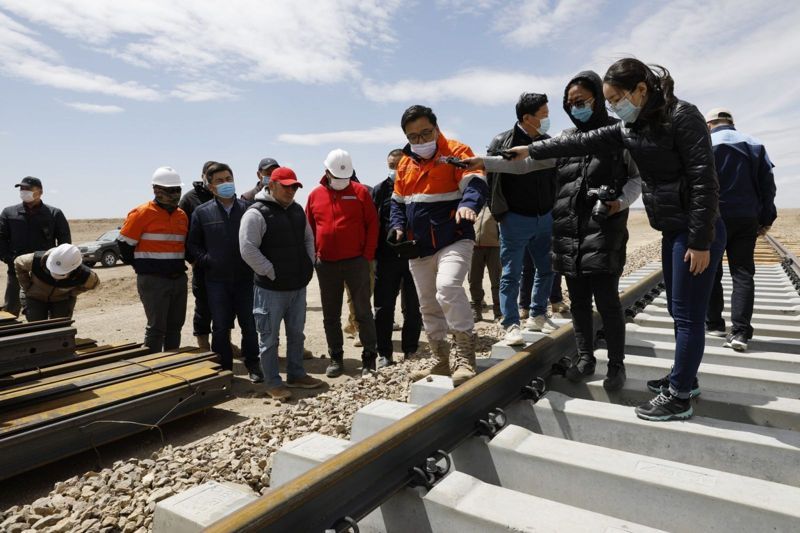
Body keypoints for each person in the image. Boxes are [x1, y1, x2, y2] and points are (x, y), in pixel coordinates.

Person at [474, 59, 724, 421]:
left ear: (642, 88)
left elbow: (705, 180)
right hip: (673, 227)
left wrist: (700, 241)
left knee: (687, 316)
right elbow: (584, 141)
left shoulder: (682, 116)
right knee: (676, 310)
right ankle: (684, 377)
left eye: (616, 98)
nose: (614, 107)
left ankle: (680, 395)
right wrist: (529, 151)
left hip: (696, 229)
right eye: (609, 102)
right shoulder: (631, 125)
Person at [471, 70, 642, 391]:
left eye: (581, 101)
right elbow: (526, 163)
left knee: (607, 301)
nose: (574, 107)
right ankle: (585, 358)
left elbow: (636, 178)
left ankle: (616, 366)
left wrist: (619, 202)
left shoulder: (619, 134)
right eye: (570, 103)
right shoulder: (564, 139)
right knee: (577, 300)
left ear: (597, 99)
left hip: (604, 230)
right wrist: (482, 162)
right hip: (568, 229)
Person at [391, 105, 489, 386]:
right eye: (414, 137)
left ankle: (465, 356)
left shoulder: (457, 152)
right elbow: (398, 203)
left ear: (436, 127)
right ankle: (441, 358)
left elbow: (475, 183)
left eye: (426, 133)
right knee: (428, 303)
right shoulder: (405, 164)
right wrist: (397, 226)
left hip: (454, 238)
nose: (421, 141)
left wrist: (469, 205)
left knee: (447, 288)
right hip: (419, 246)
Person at [240, 167, 323, 400]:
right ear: (272, 185)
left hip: (297, 286)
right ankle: (273, 382)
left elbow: (308, 238)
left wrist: (308, 264)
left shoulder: (297, 210)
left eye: (294, 186)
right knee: (269, 338)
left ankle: (296, 374)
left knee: (297, 334)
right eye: (286, 186)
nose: (291, 190)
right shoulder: (256, 213)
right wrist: (271, 271)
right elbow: (247, 249)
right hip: (270, 290)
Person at [486, 93, 559, 347]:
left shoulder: (548, 143)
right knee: (511, 274)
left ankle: (537, 314)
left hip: (545, 217)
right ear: (527, 118)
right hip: (515, 219)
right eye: (544, 115)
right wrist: (501, 215)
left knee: (547, 268)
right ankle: (511, 324)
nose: (548, 119)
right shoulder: (501, 141)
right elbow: (491, 182)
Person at [703, 107, 777, 352]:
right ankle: (740, 332)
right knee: (743, 273)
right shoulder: (754, 143)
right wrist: (766, 218)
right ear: (731, 123)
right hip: (746, 218)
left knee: (711, 271)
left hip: (714, 218)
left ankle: (714, 323)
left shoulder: (704, 143)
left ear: (710, 123)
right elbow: (768, 186)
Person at [186, 162, 263, 382]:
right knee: (220, 326)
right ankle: (224, 368)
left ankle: (253, 364)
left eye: (228, 178)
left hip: (246, 279)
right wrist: (207, 260)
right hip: (216, 280)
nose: (225, 183)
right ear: (210, 186)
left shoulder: (247, 209)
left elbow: (258, 239)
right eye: (219, 180)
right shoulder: (202, 212)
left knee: (249, 324)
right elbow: (193, 245)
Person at [306, 149, 379, 377]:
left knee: (363, 312)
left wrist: (366, 256)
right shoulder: (314, 195)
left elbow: (373, 225)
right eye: (336, 177)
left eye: (344, 178)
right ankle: (336, 358)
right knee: (330, 315)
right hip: (326, 265)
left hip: (356, 262)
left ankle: (369, 359)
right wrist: (316, 256)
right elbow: (309, 229)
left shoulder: (360, 192)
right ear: (326, 172)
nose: (341, 182)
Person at [118, 167, 189, 354]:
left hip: (178, 279)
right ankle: (153, 367)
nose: (175, 195)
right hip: (153, 280)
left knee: (175, 326)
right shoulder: (141, 213)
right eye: (170, 190)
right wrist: (143, 268)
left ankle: (172, 363)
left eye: (177, 190)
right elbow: (124, 246)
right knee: (157, 328)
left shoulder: (182, 216)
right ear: (156, 190)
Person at [372, 148, 422, 368]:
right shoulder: (379, 190)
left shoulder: (419, 185)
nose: (395, 170)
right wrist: (372, 257)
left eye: (399, 165)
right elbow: (373, 225)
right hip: (386, 257)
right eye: (391, 165)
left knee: (413, 307)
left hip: (414, 256)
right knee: (383, 307)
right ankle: (384, 353)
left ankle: (410, 349)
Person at [0, 176, 71, 317]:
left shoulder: (54, 214)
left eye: (27, 189)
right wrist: (9, 259)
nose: (23, 191)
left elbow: (65, 244)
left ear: (40, 191)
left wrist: (56, 264)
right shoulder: (9, 213)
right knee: (10, 311)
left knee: (41, 311)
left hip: (45, 272)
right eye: (21, 189)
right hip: (16, 271)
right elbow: (1, 239)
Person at [179, 161, 216, 351]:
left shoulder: (224, 196)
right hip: (201, 264)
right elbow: (182, 233)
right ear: (203, 176)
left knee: (223, 307)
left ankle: (223, 342)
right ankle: (203, 345)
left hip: (222, 266)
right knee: (203, 307)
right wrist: (192, 259)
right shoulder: (189, 200)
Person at [15, 243, 99, 321]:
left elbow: (94, 283)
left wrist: (72, 293)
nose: (55, 275)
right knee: (35, 324)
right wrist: (27, 286)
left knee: (60, 325)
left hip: (61, 299)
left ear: (73, 268)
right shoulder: (35, 260)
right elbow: (18, 262)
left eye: (61, 274)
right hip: (35, 296)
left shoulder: (84, 274)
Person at [469, 205, 501, 322]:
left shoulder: (495, 202)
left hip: (495, 246)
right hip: (474, 246)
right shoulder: (472, 202)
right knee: (474, 279)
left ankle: (498, 312)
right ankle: (476, 309)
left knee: (496, 279)